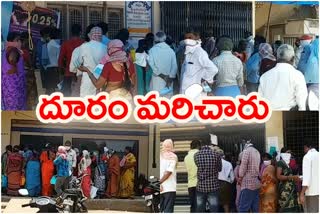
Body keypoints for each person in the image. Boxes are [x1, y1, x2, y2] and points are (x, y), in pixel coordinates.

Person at [259, 44, 308, 110]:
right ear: (293, 58)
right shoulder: (298, 76)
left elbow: (260, 101)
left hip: (269, 115)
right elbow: (302, 103)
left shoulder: (264, 77)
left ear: (276, 57)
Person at [180, 28, 218, 94]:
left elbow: (213, 69)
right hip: (185, 94)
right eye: (186, 38)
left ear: (197, 37)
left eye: (190, 37)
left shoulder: (200, 53)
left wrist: (204, 79)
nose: (187, 40)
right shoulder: (187, 53)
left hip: (195, 95)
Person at [77, 26, 107, 97]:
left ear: (90, 35)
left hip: (87, 79)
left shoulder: (84, 46)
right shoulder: (105, 48)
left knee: (86, 103)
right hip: (101, 79)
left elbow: (79, 63)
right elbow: (104, 64)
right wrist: (97, 72)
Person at [194, 140, 222, 213]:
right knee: (214, 207)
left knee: (200, 207)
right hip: (213, 186)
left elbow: (198, 166)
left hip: (201, 186)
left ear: (201, 145)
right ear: (210, 144)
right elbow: (220, 169)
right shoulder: (216, 155)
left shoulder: (196, 155)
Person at [148, 31, 178, 98]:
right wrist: (170, 78)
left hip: (157, 79)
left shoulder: (152, 50)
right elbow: (174, 66)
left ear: (155, 40)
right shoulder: (171, 51)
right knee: (167, 100)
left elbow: (152, 65)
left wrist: (162, 75)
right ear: (165, 39)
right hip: (169, 80)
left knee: (156, 100)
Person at [1, 32, 27, 110]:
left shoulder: (6, 50)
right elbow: (12, 59)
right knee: (15, 104)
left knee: (9, 104)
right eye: (17, 40)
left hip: (8, 81)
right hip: (14, 82)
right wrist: (15, 69)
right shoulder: (13, 50)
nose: (19, 42)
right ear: (12, 40)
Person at [58, 24, 84, 97]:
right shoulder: (84, 43)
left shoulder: (66, 44)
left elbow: (60, 60)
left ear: (71, 32)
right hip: (81, 73)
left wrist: (61, 72)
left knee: (66, 95)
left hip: (68, 72)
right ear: (80, 32)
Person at [238, 140, 261, 213]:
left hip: (247, 184)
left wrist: (240, 177)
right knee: (255, 208)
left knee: (243, 209)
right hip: (256, 184)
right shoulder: (257, 152)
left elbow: (243, 165)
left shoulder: (246, 151)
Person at [276, 148, 301, 212]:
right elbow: (278, 176)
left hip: (291, 189)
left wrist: (296, 178)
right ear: (283, 154)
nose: (289, 154)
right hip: (284, 191)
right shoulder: (280, 163)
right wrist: (291, 177)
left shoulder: (288, 164)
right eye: (287, 152)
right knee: (286, 208)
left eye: (290, 153)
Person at [300, 139, 319, 213]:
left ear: (306, 147)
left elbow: (307, 178)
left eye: (304, 148)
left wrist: (302, 193)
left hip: (312, 192)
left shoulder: (307, 157)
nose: (304, 151)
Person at [20, 32, 38, 110]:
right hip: (28, 75)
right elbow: (31, 63)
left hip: (21, 76)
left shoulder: (18, 50)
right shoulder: (25, 51)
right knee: (30, 93)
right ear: (27, 40)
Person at [160, 139, 178, 213]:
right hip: (169, 188)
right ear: (172, 146)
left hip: (161, 188)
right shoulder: (173, 156)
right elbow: (169, 172)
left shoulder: (160, 156)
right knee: (168, 210)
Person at [184, 140, 201, 213]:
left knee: (193, 204)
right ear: (198, 146)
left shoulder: (186, 157)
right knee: (200, 205)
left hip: (190, 184)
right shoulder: (200, 155)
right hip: (200, 183)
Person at [217, 149, 235, 213]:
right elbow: (232, 178)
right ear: (223, 156)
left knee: (215, 203)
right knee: (226, 203)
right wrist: (228, 181)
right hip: (225, 184)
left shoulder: (213, 163)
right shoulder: (228, 164)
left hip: (215, 184)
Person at [45, 27, 61, 94]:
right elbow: (58, 59)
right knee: (54, 89)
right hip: (54, 68)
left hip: (48, 68)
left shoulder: (48, 44)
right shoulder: (57, 46)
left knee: (50, 88)